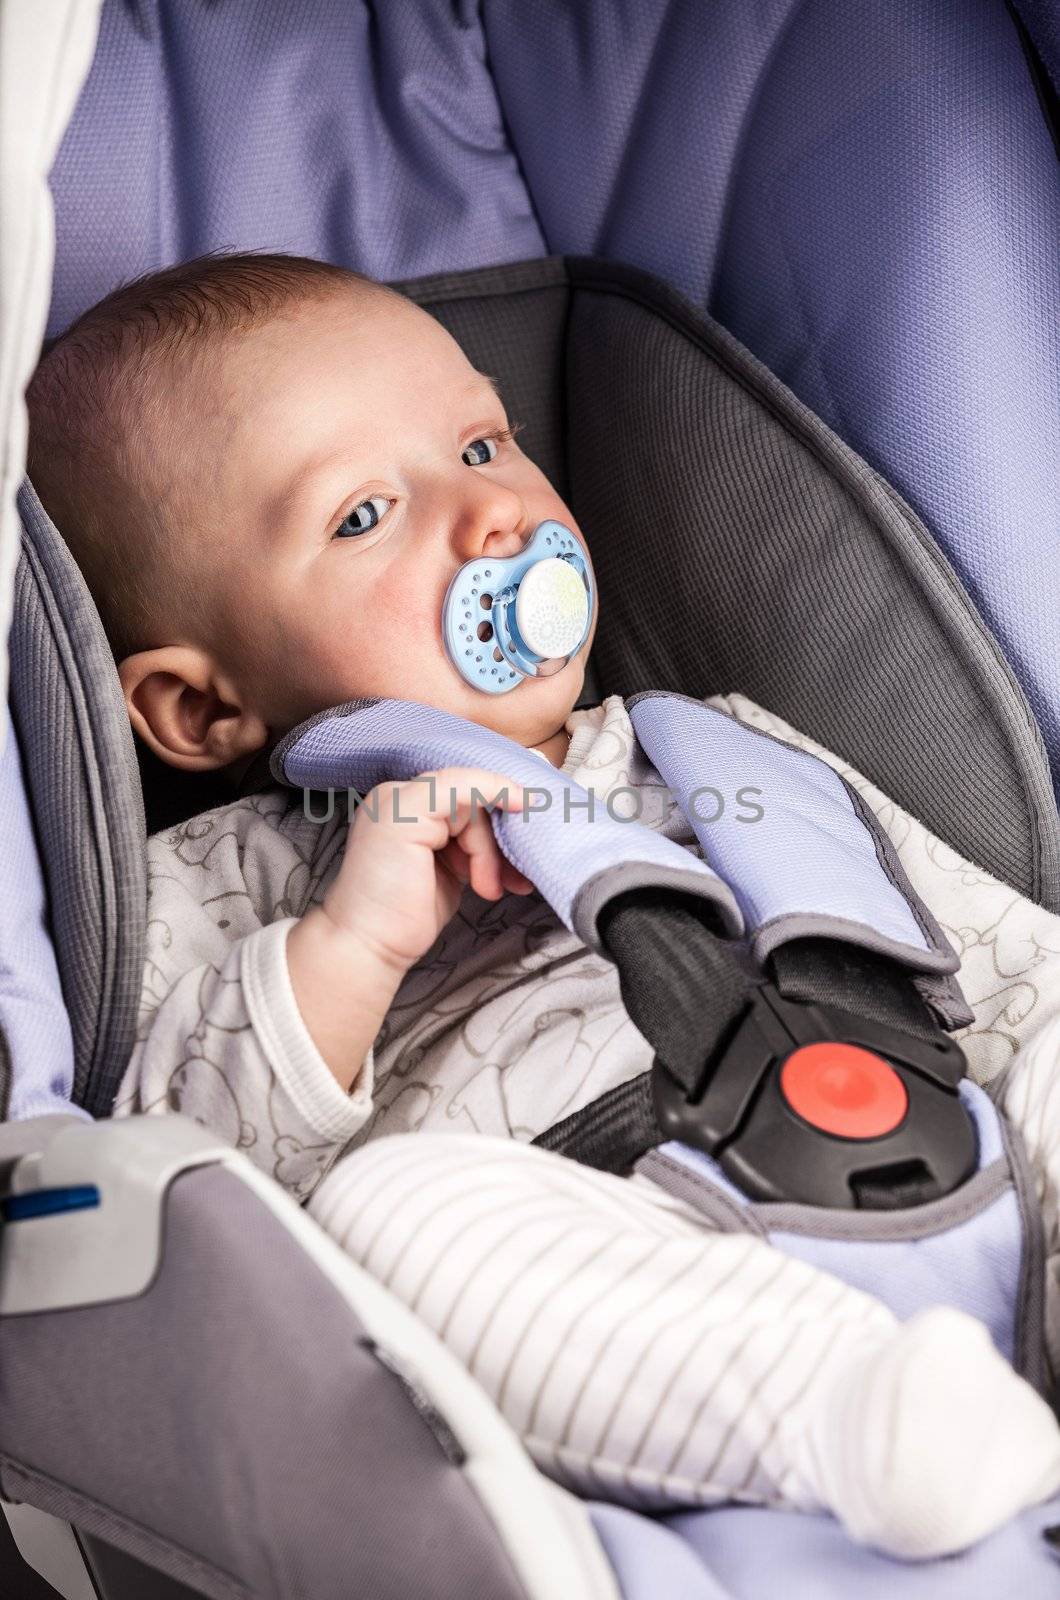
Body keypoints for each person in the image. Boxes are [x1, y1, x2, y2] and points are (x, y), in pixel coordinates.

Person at [25, 253, 1060, 1559]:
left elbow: (1002, 966)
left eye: (481, 441)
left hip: (933, 1168)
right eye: (363, 515)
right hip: (622, 1301)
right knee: (391, 1220)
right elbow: (192, 1218)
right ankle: (855, 1420)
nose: (491, 517)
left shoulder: (725, 755)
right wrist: (348, 950)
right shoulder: (224, 890)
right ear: (203, 706)